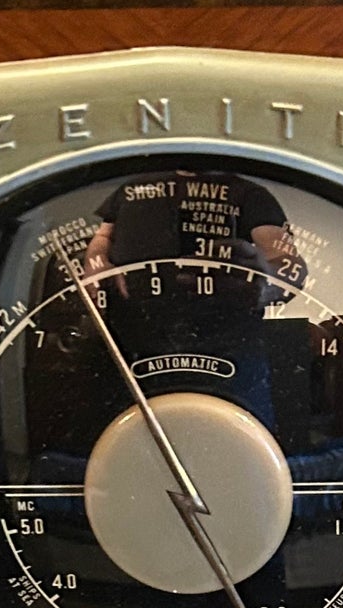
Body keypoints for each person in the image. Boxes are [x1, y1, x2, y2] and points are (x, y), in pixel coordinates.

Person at [79, 167, 305, 426]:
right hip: (130, 338)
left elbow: (287, 260)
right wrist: (96, 263)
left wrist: (262, 287)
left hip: (227, 344)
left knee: (244, 437)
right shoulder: (132, 187)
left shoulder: (250, 193)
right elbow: (103, 235)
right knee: (117, 438)